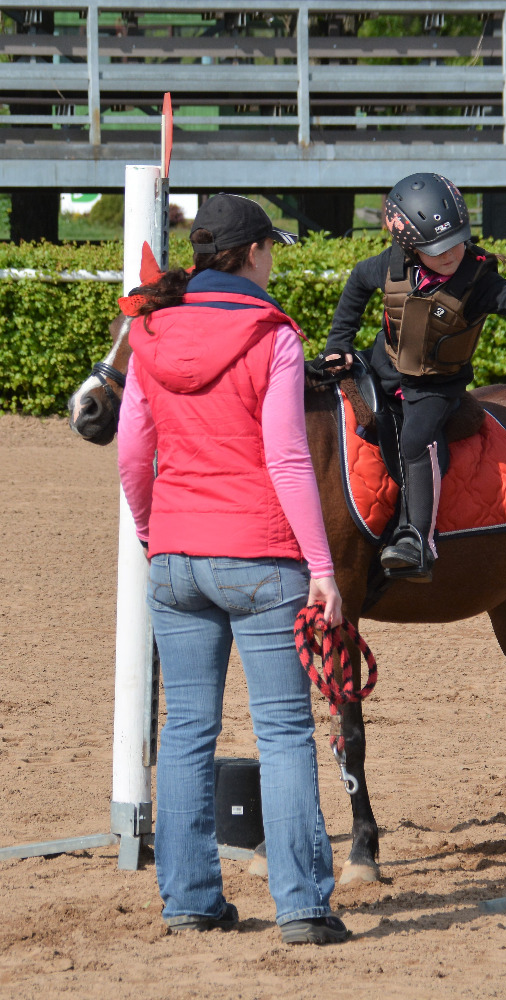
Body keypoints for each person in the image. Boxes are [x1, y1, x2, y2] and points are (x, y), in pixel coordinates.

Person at [117, 193, 350, 945]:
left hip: (176, 556)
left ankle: (188, 900)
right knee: (283, 732)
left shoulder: (148, 327)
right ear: (251, 254)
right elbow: (286, 457)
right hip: (261, 557)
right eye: (271, 249)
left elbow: (130, 452)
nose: (273, 260)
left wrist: (157, 534)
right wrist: (323, 565)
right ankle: (304, 907)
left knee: (185, 730)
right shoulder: (270, 332)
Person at [317, 172, 506, 583]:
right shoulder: (390, 264)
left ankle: (418, 537)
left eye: (456, 242)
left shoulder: (478, 280)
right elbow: (358, 283)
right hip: (379, 368)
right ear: (409, 244)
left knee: (416, 440)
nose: (450, 254)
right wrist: (338, 341)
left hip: (434, 386)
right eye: (436, 248)